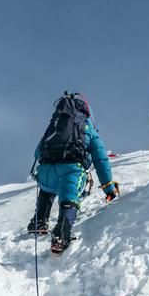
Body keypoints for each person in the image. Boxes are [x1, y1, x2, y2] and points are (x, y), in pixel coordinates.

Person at [27, 91, 118, 253]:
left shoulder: (55, 124)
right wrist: (109, 188)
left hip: (47, 171)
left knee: (47, 191)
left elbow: (37, 153)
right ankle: (62, 233)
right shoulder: (86, 126)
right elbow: (101, 159)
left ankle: (39, 221)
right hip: (71, 170)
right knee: (69, 196)